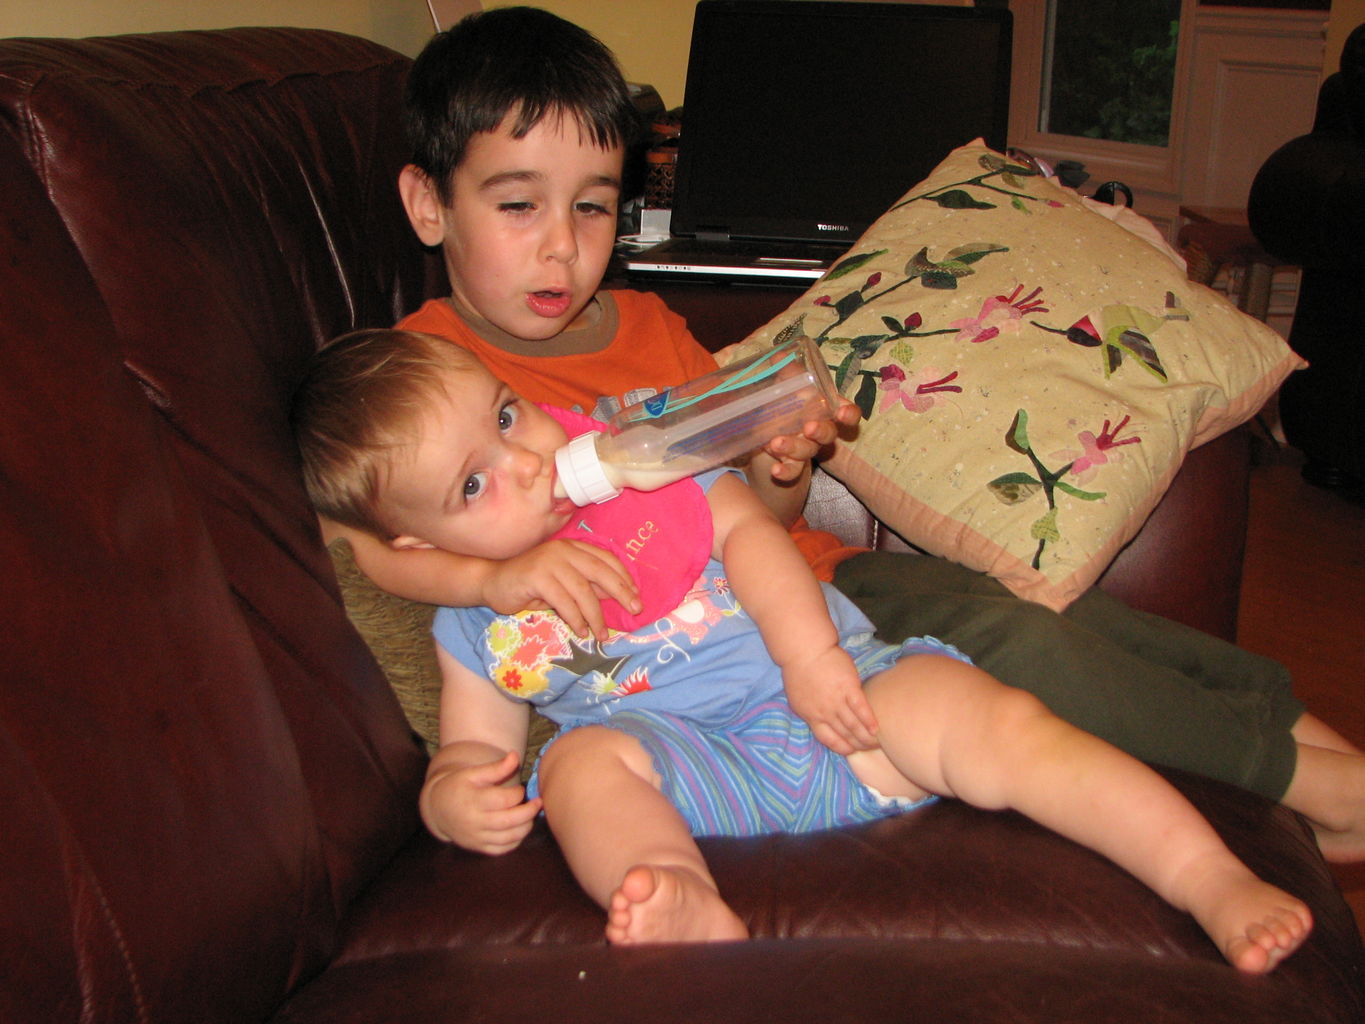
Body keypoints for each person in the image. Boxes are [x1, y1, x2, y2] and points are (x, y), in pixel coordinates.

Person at [330, 5, 1365, 862]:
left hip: (806, 584)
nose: (563, 246)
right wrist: (486, 583)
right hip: (715, 660)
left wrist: (782, 455)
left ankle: (1295, 733)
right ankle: (1315, 785)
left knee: (1037, 605)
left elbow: (755, 510)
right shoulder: (432, 380)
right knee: (1014, 642)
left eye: (595, 208)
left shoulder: (648, 326)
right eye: (518, 204)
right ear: (428, 204)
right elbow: (363, 532)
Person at [292, 327, 1313, 973]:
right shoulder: (476, 622)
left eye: (506, 415)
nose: (523, 462)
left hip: (840, 699)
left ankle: (1202, 874)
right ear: (423, 547)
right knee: (578, 763)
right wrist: (453, 793)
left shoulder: (640, 458)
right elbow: (476, 743)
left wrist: (814, 657)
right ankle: (673, 890)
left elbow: (752, 539)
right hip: (692, 764)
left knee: (1004, 723)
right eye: (475, 485)